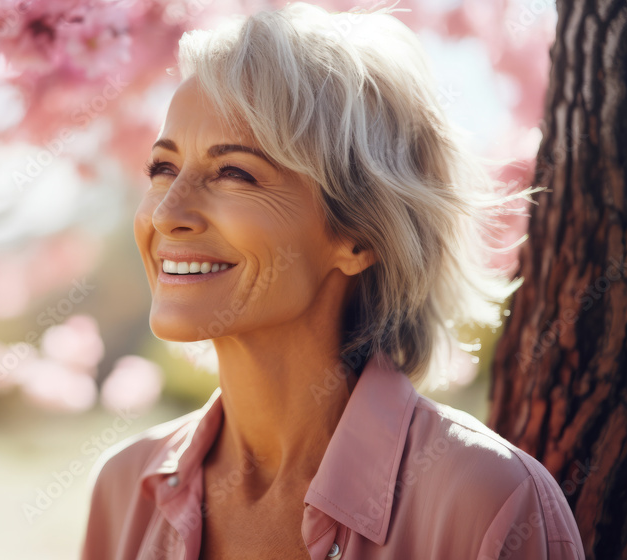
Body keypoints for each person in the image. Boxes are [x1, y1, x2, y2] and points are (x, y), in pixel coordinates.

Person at [80, 3, 586, 560]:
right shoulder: (124, 489)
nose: (167, 212)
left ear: (358, 236)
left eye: (235, 173)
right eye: (163, 168)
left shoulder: (488, 504)